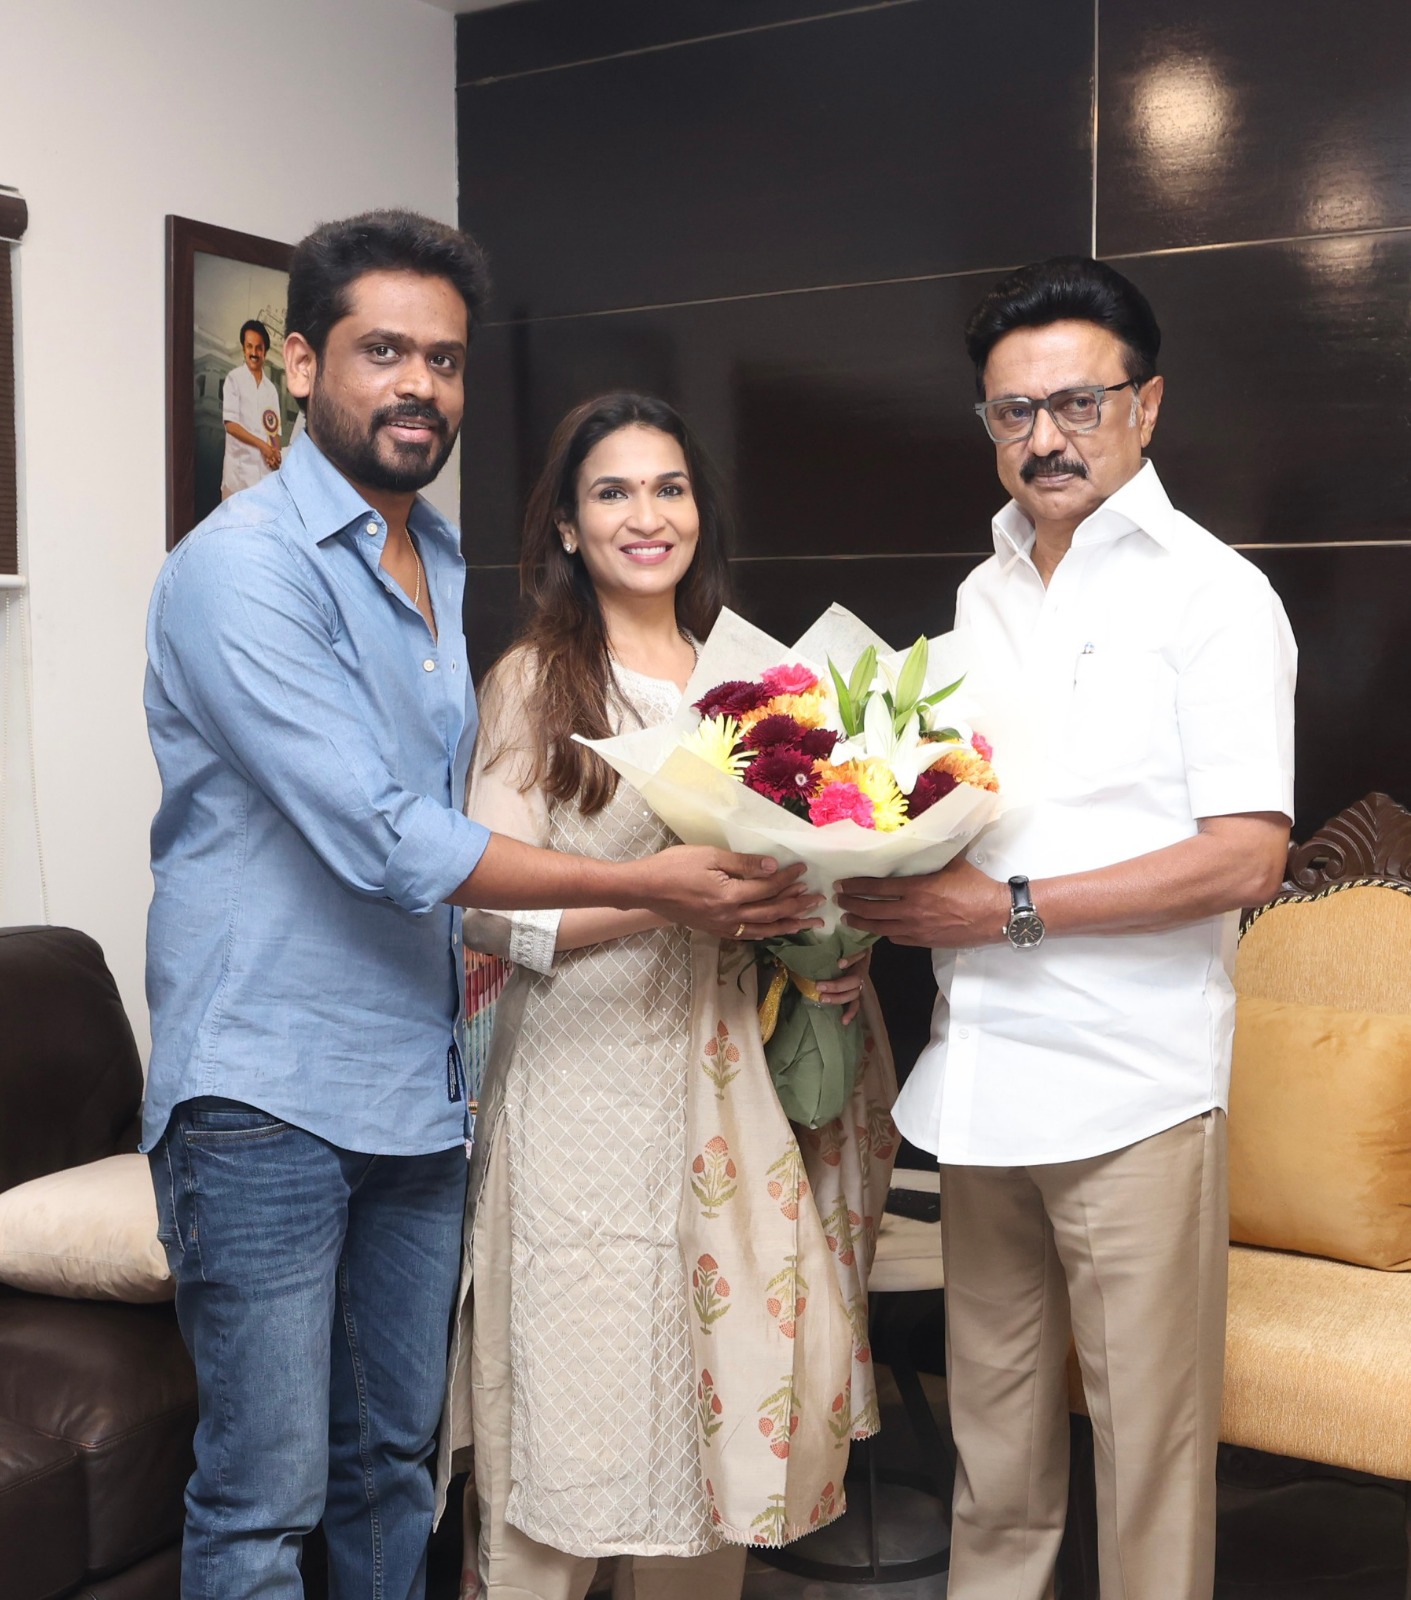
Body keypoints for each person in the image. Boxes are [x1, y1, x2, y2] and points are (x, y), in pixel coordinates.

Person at [143, 214, 818, 1600]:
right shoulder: (241, 566)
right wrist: (650, 888)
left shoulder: (433, 560)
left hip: (416, 1088)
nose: (418, 385)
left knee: (393, 1469)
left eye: (443, 361)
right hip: (264, 1090)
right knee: (264, 1501)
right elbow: (390, 838)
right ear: (304, 362)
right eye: (383, 351)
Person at [838, 256, 1296, 1600]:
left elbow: (1245, 856)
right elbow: (971, 813)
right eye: (1011, 411)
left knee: (1147, 1464)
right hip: (984, 1086)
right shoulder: (978, 596)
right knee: (992, 1458)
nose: (1044, 437)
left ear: (1144, 405)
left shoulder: (1212, 595)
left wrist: (1006, 912)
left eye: (1076, 403)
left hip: (1130, 1091)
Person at [448, 393, 897, 1600]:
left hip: (735, 1098)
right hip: (582, 1102)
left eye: (669, 488)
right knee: (575, 1419)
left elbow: (816, 868)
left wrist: (837, 943)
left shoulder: (761, 679)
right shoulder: (537, 683)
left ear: (699, 510)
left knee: (722, 1415)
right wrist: (661, 901)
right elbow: (486, 910)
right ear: (566, 526)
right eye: (612, 492)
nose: (645, 516)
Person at [220, 316, 283, 496]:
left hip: (263, 478)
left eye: (259, 348)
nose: (254, 352)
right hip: (237, 478)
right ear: (243, 348)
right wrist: (263, 446)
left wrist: (275, 454)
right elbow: (231, 426)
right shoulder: (234, 379)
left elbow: (274, 431)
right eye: (249, 346)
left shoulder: (271, 389)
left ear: (265, 352)